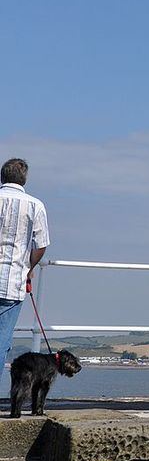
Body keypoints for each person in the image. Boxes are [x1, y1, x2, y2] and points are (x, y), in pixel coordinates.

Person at [0, 158, 50, 379]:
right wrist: (28, 267)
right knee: (2, 340)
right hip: (13, 282)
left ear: (2, 176)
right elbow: (41, 246)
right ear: (24, 179)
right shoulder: (35, 205)